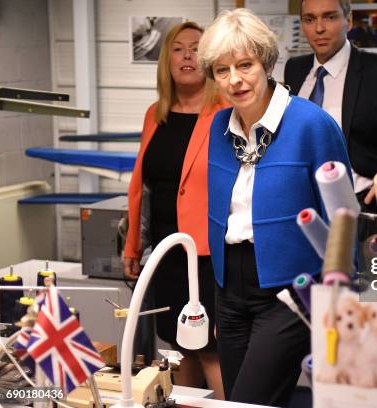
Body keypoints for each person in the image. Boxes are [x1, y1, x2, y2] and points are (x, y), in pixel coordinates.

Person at [198, 9, 351, 406]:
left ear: (266, 62)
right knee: (237, 398)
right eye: (221, 70)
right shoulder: (218, 126)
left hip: (289, 290)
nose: (235, 80)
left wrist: (337, 300)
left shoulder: (311, 125)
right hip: (229, 288)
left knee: (250, 401)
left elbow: (343, 219)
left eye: (245, 65)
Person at [123, 21, 228, 398]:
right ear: (166, 60)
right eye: (178, 48)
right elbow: (140, 187)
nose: (187, 56)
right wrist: (133, 245)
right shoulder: (156, 113)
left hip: (207, 254)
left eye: (197, 48)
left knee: (211, 349)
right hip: (167, 251)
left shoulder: (227, 113)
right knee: (181, 349)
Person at [284, 0, 377, 212]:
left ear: (348, 21)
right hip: (304, 207)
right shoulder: (295, 69)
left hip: (365, 206)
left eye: (330, 17)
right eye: (310, 19)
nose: (319, 28)